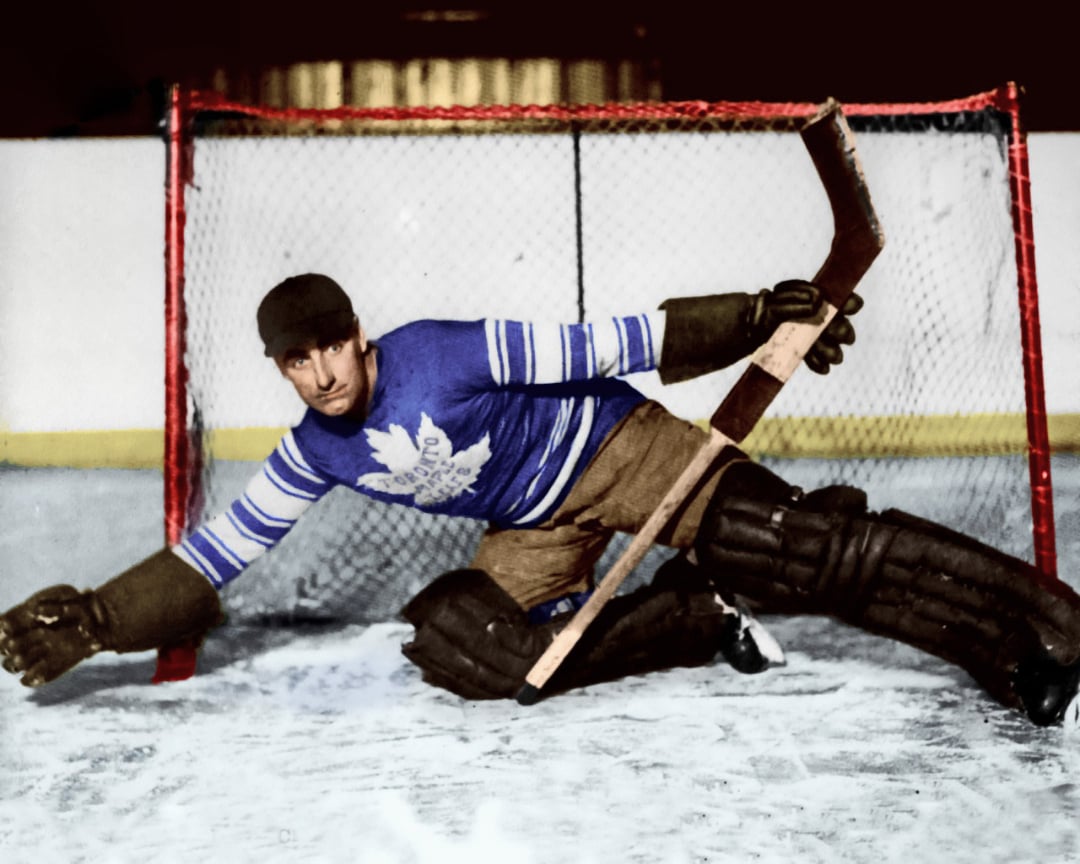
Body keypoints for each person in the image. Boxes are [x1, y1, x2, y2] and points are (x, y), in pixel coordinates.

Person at [2, 274, 1078, 728]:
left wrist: (755, 313)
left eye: (331, 346)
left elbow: (617, 343)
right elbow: (219, 553)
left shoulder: (446, 351)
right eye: (297, 361)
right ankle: (695, 614)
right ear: (282, 371)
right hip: (533, 523)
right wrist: (100, 619)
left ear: (360, 338)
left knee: (794, 547)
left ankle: (1039, 629)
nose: (321, 373)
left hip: (614, 444)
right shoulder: (312, 453)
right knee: (465, 648)